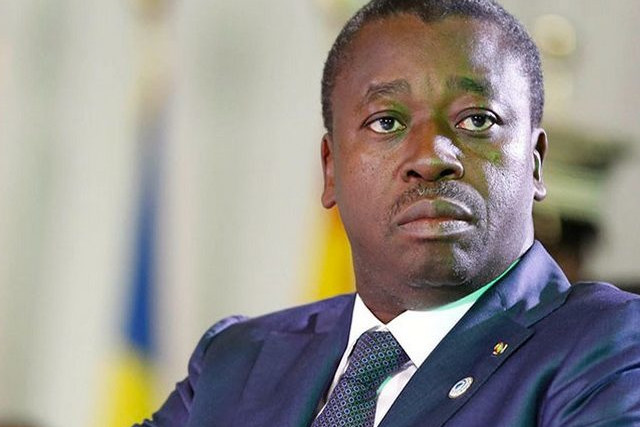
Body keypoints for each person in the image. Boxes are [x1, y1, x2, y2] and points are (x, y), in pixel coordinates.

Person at [137, 0, 640, 425]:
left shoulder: (612, 349)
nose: (432, 156)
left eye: (477, 119)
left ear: (534, 163)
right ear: (331, 170)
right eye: (386, 122)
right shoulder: (238, 361)